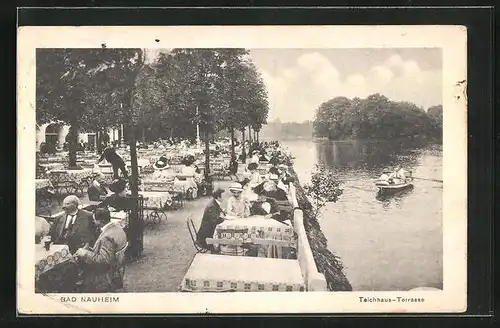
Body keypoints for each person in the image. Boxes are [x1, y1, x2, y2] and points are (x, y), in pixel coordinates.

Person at [74, 208, 128, 293]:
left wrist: (84, 253)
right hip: (116, 265)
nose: (93, 222)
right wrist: (90, 249)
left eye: (95, 220)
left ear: (101, 221)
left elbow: (103, 260)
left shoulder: (107, 237)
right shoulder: (117, 227)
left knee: (74, 266)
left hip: (104, 272)